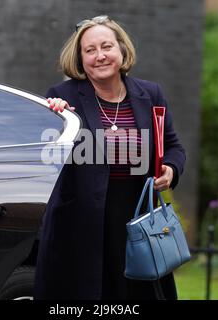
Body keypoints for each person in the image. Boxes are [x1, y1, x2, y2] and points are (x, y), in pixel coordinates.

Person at [34, 15, 186, 300]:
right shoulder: (63, 97)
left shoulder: (150, 94)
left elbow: (174, 146)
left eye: (107, 46)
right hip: (79, 225)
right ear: (80, 59)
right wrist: (54, 118)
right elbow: (48, 158)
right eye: (90, 50)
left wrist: (171, 169)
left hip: (137, 221)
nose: (100, 56)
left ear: (122, 50)